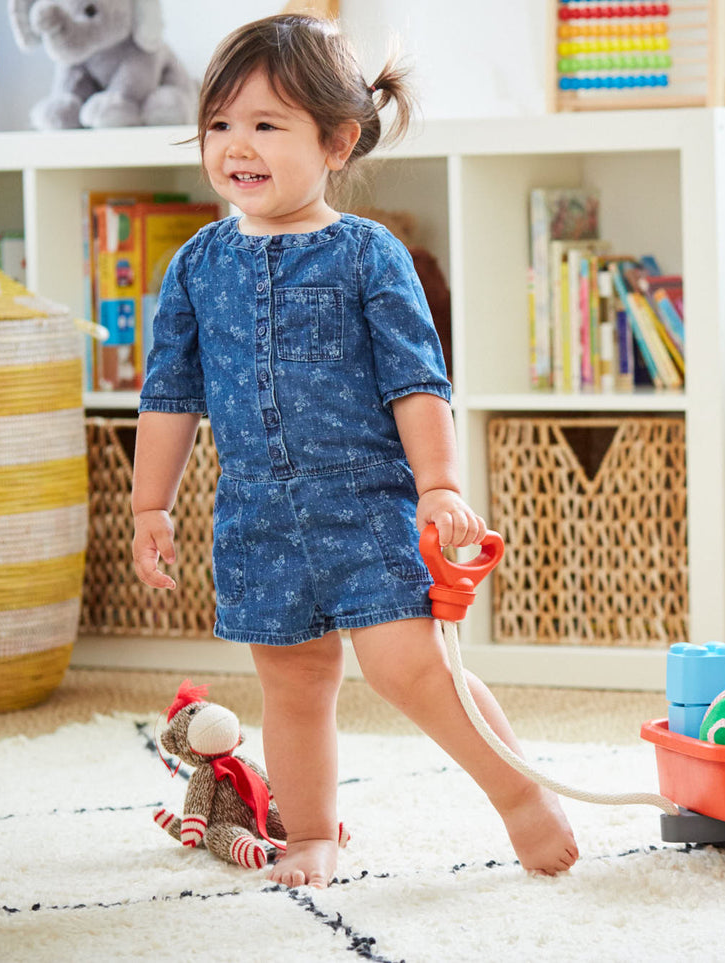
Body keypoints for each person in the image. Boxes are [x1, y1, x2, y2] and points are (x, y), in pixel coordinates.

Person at [130, 13, 577, 888]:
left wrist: (439, 484)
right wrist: (151, 503)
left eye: (265, 124)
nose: (236, 146)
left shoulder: (369, 253)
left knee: (409, 665)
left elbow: (418, 381)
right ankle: (308, 835)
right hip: (255, 513)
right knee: (293, 685)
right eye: (220, 124)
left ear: (336, 141)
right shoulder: (194, 265)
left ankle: (523, 796)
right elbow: (169, 395)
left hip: (366, 502)